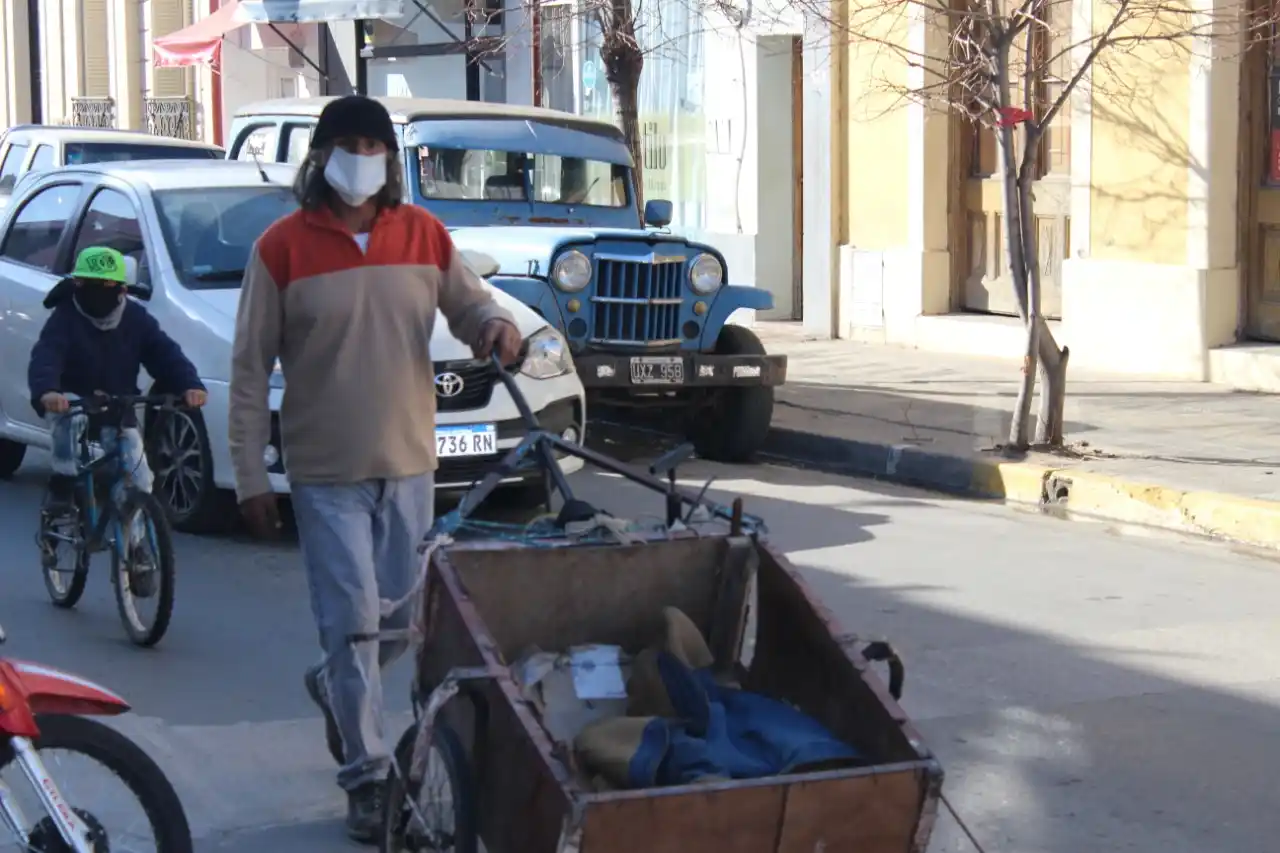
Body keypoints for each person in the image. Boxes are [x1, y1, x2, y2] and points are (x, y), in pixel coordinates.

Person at [227, 95, 522, 843]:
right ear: (320, 157)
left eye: (373, 144)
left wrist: (496, 326)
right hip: (326, 471)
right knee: (354, 622)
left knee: (403, 620)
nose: (361, 157)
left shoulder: (422, 233)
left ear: (390, 160)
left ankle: (334, 683)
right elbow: (248, 370)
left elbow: (470, 305)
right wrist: (252, 477)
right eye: (347, 144)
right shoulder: (280, 248)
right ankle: (368, 775)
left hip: (411, 462)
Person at [28, 246, 207, 586]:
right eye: (89, 285)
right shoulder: (66, 316)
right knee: (70, 425)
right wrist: (48, 392)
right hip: (73, 403)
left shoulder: (136, 319)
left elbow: (165, 353)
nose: (99, 294)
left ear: (122, 289)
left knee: (140, 478)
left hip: (118, 406)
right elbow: (46, 356)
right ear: (77, 285)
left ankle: (138, 548)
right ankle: (62, 491)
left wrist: (189, 385)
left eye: (108, 287)